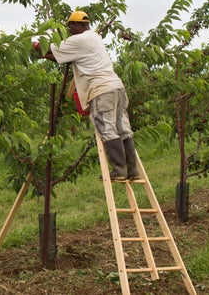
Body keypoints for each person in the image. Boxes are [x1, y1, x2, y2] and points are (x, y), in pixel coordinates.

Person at [41, 10, 139, 182]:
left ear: (78, 24)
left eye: (71, 26)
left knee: (105, 128)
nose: (70, 30)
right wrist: (44, 54)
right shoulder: (94, 37)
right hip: (117, 87)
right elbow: (60, 58)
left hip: (101, 90)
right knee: (122, 128)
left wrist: (36, 46)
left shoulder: (79, 40)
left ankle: (119, 170)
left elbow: (50, 48)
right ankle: (132, 169)